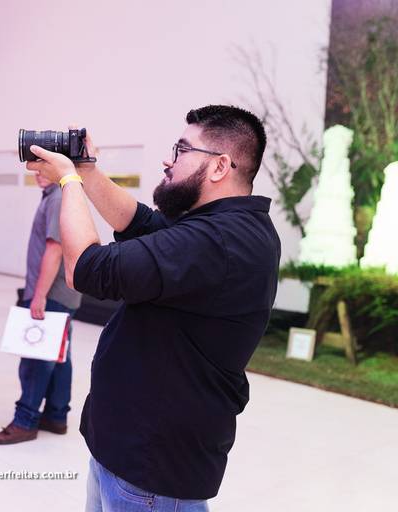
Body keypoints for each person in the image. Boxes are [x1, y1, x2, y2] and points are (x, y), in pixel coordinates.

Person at [27, 105, 280, 511]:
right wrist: (88, 170)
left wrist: (69, 181)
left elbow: (84, 268)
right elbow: (138, 223)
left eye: (181, 149)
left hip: (152, 469)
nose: (169, 159)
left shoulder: (218, 241)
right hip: (131, 452)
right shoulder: (217, 226)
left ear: (219, 167)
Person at [0, 173, 81, 445]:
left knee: (35, 357)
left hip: (52, 295)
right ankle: (56, 416)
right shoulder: (59, 196)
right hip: (63, 294)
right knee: (58, 355)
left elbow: (54, 249)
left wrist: (38, 296)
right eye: (35, 168)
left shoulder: (56, 198)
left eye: (44, 167)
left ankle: (26, 421)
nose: (38, 173)